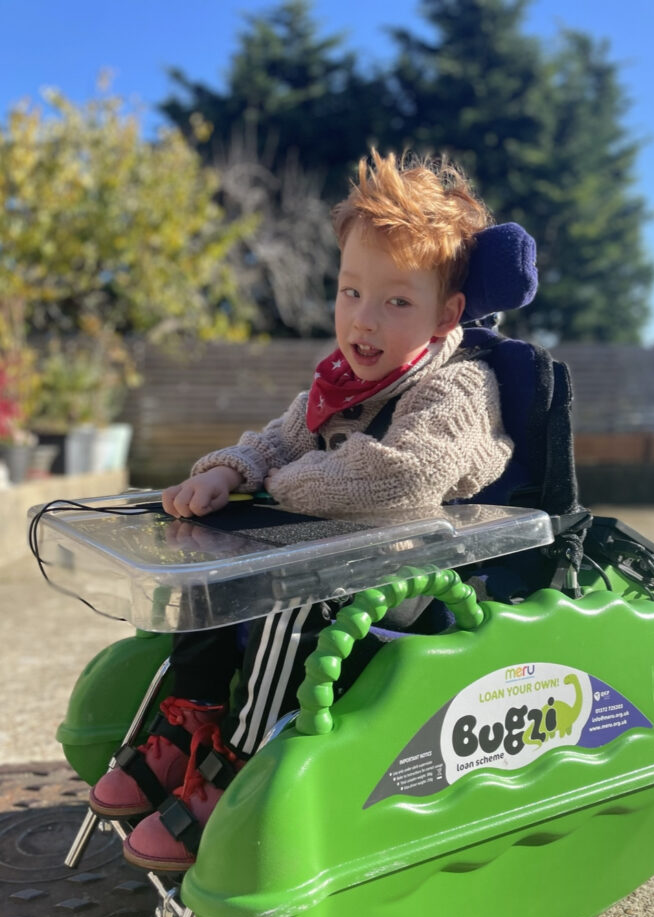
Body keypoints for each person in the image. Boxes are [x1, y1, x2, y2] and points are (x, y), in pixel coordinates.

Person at [91, 149, 515, 872]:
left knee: (291, 600)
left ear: (446, 314)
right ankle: (190, 723)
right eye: (351, 292)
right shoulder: (342, 383)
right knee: (209, 574)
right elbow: (278, 440)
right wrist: (231, 472)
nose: (363, 319)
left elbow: (399, 479)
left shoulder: (455, 389)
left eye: (395, 301)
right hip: (352, 558)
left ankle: (246, 767)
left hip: (422, 580)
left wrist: (278, 487)